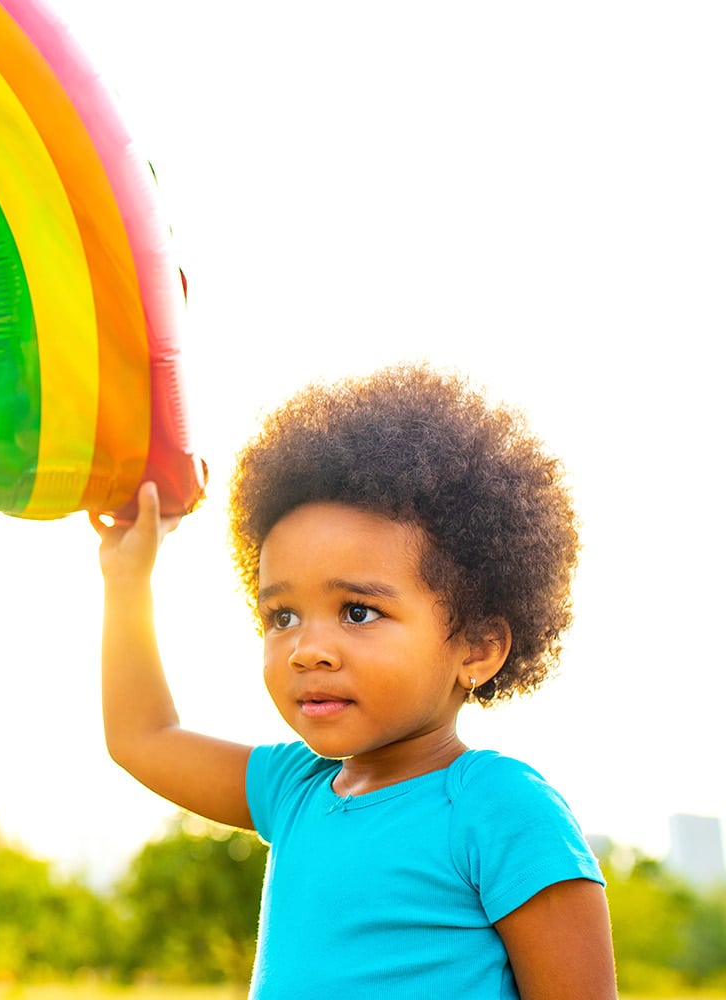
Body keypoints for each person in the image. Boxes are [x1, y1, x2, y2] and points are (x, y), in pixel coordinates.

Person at [93, 363, 616, 999]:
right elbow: (141, 738)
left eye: (358, 612)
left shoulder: (499, 806)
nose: (307, 650)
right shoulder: (294, 790)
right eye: (281, 616)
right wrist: (126, 584)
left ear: (478, 648)